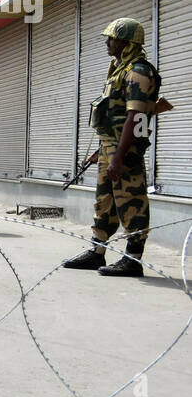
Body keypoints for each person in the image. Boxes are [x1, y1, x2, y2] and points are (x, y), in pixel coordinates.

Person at [62, 18, 161, 277]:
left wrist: (119, 156)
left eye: (112, 38)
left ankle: (133, 258)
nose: (107, 42)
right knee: (104, 201)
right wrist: (103, 149)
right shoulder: (119, 68)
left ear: (126, 42)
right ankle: (97, 251)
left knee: (131, 201)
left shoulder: (139, 71)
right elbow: (112, 113)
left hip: (124, 149)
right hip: (111, 146)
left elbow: (135, 117)